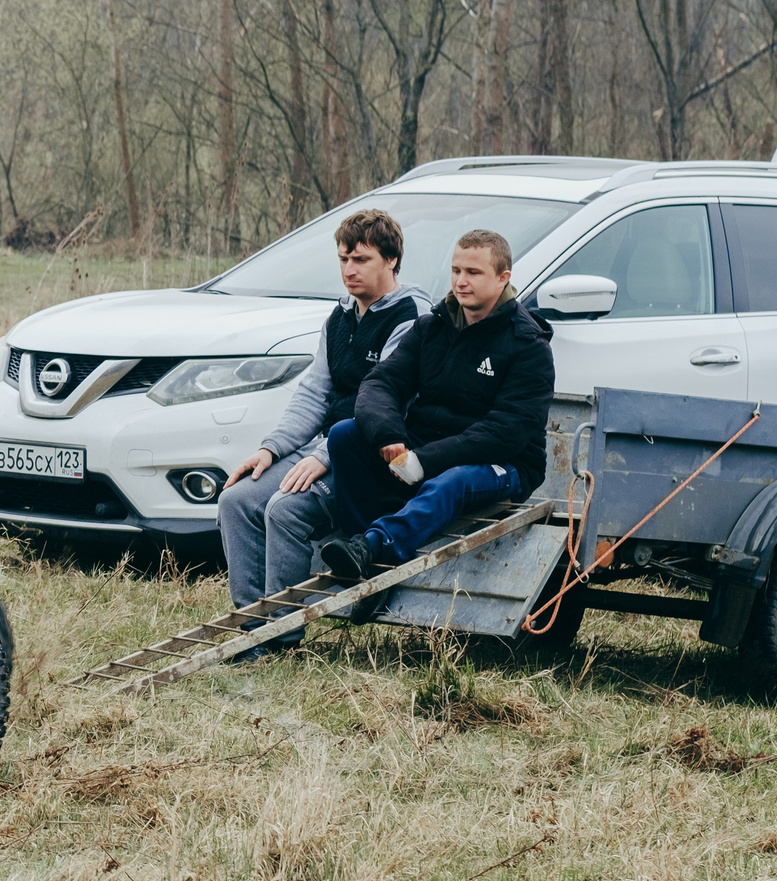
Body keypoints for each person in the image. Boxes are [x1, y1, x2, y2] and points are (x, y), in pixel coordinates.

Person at [217, 209, 429, 638]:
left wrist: (324, 455)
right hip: (322, 444)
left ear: (391, 260)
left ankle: (282, 633)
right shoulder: (339, 317)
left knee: (285, 508)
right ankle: (250, 627)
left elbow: (387, 405)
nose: (349, 271)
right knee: (236, 501)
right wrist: (271, 448)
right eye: (343, 260)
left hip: (365, 454)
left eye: (361, 260)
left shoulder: (411, 318)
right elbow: (314, 392)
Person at [316, 229, 554, 581]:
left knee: (453, 481)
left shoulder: (528, 344)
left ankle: (373, 546)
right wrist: (388, 435)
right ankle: (360, 551)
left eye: (473, 273)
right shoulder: (432, 327)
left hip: (505, 464)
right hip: (425, 448)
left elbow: (504, 433)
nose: (460, 281)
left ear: (503, 278)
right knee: (344, 435)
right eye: (456, 270)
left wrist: (424, 461)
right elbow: (381, 382)